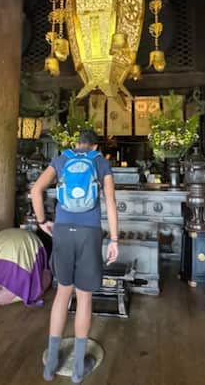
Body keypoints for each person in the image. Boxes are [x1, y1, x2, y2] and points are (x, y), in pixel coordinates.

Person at [31, 128, 119, 384]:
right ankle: (78, 368)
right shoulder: (100, 162)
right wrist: (114, 239)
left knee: (62, 294)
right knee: (84, 297)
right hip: (89, 232)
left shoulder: (62, 159)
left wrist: (42, 222)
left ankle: (50, 367)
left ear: (76, 143)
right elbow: (111, 203)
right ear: (96, 146)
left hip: (61, 230)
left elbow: (36, 190)